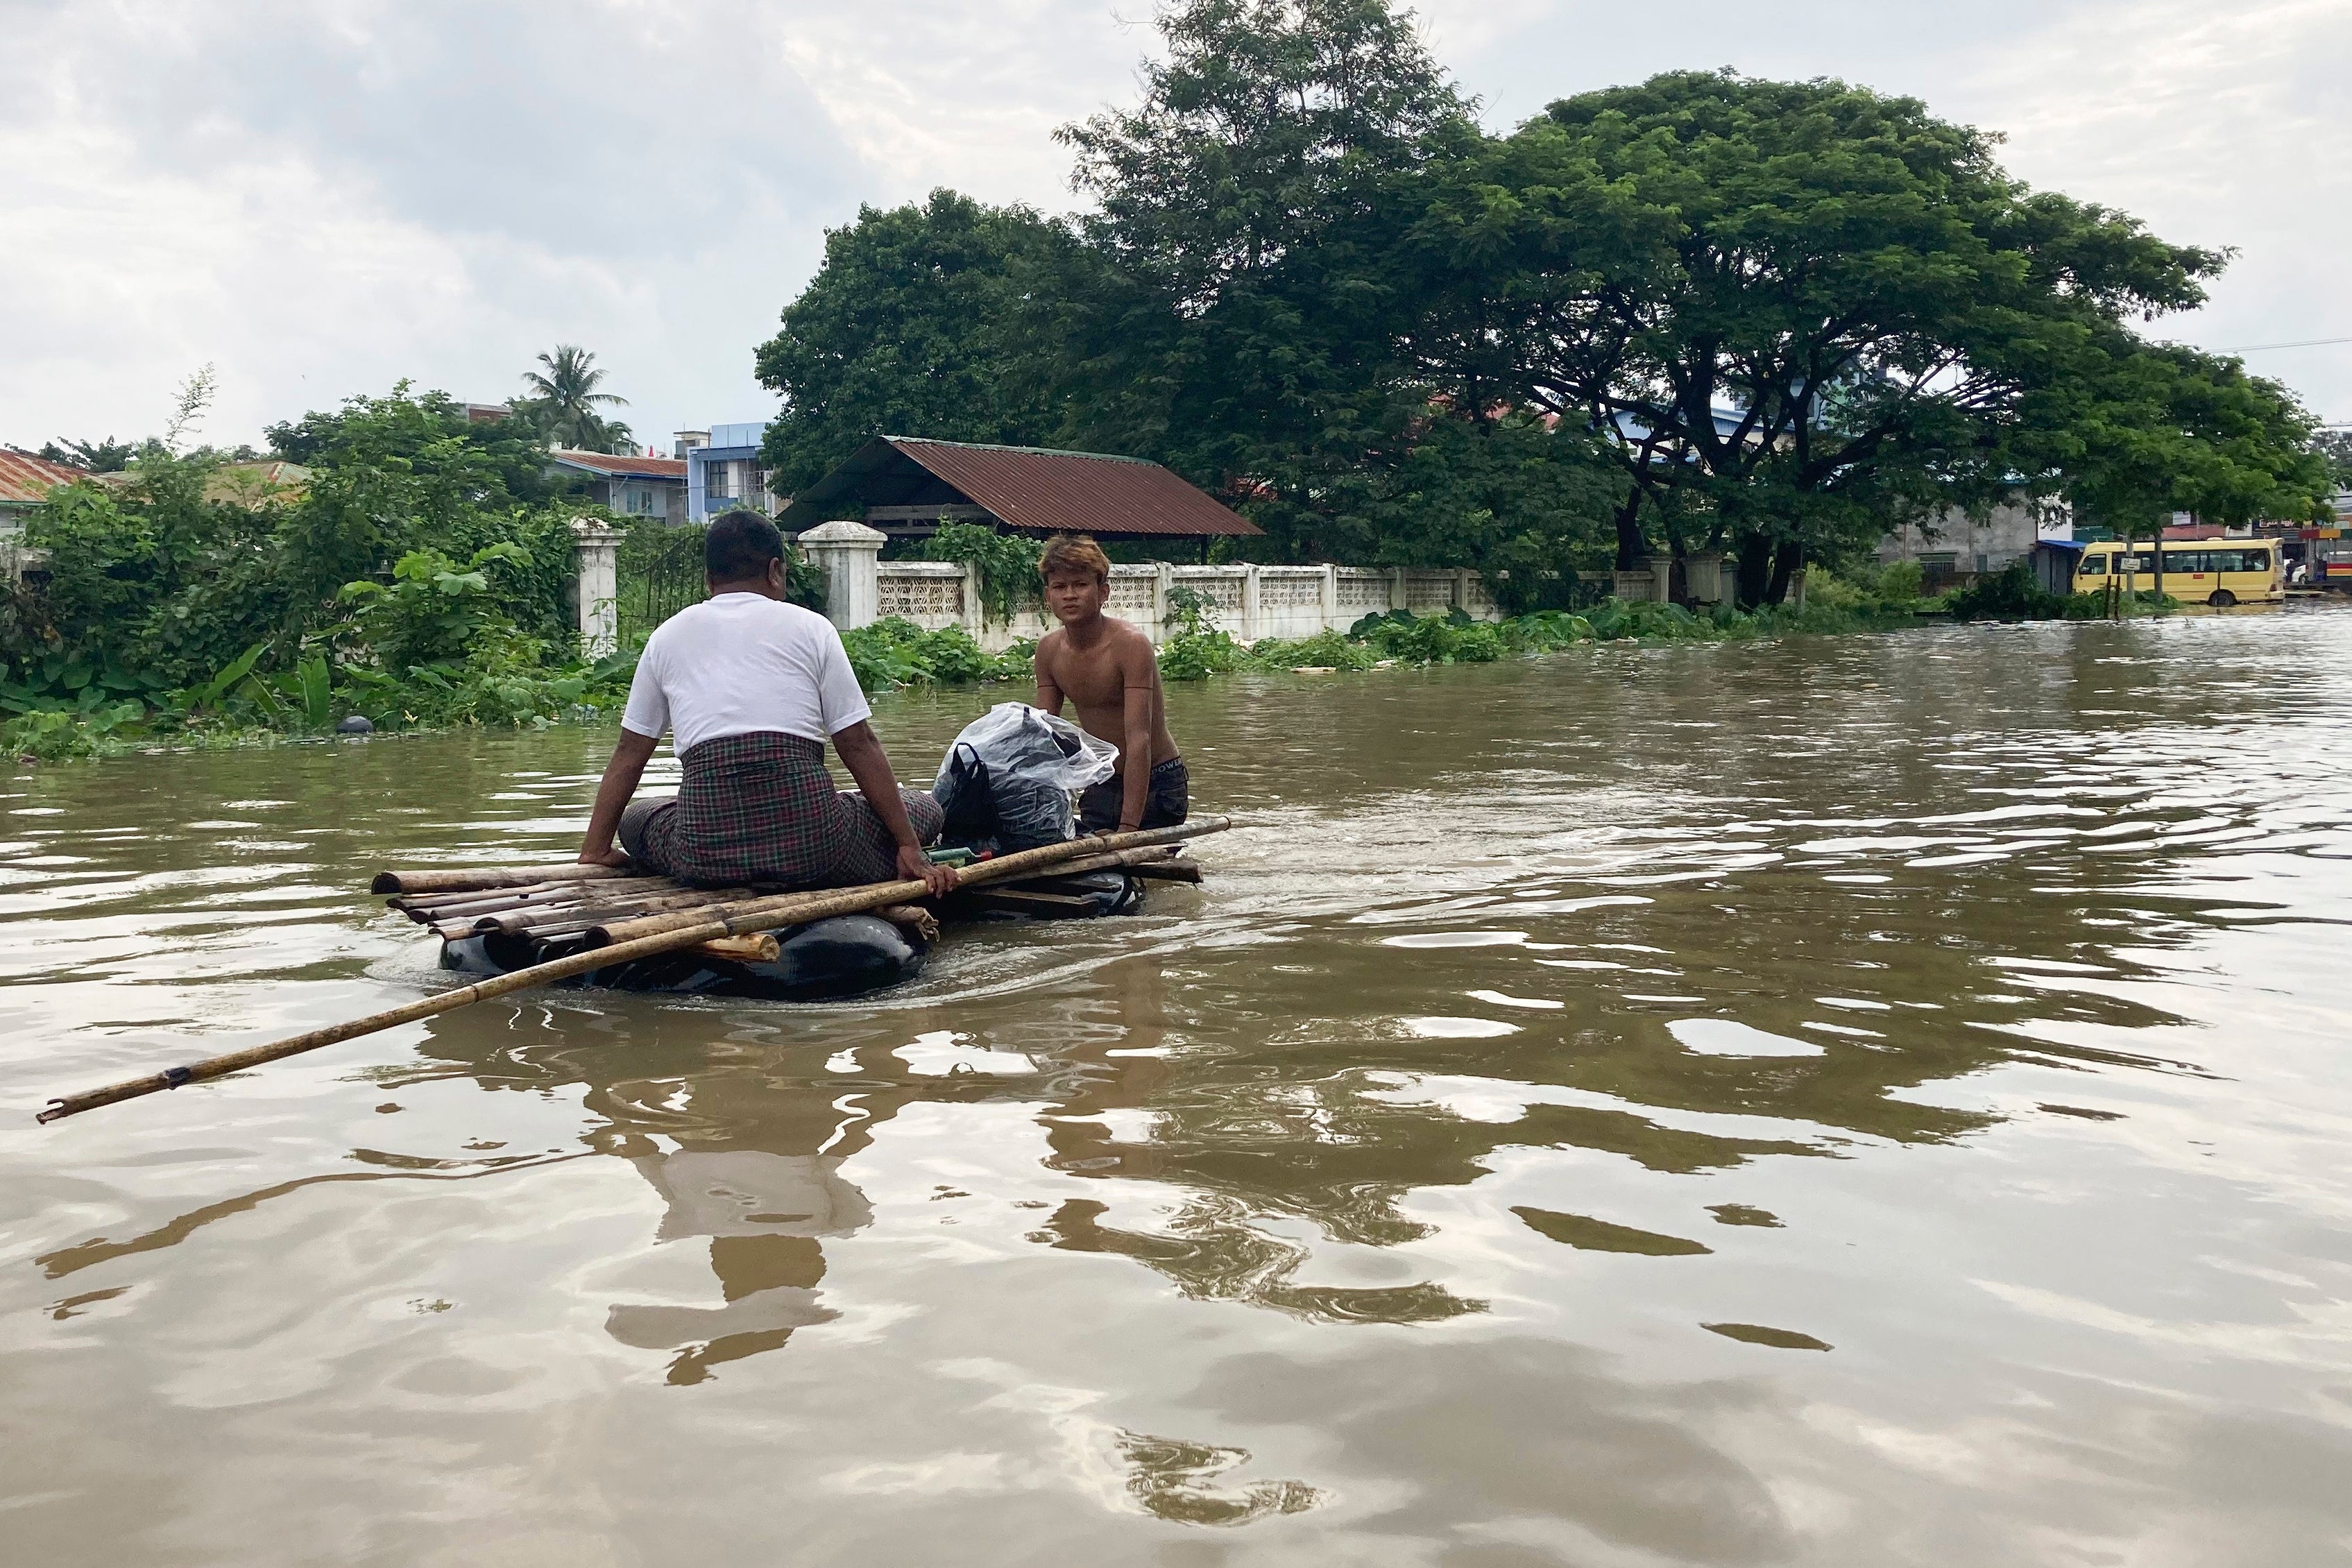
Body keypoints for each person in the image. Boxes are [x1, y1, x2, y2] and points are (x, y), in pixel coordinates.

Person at [577, 510, 957, 897]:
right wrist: (910, 847)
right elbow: (858, 743)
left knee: (637, 816)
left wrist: (594, 850)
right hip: (814, 853)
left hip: (705, 858)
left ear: (709, 578)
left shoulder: (665, 637)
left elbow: (629, 753)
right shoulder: (814, 628)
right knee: (925, 808)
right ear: (776, 570)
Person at [1031, 534, 1188, 834]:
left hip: (1157, 780)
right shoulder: (1049, 651)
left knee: (1145, 870)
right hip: (1104, 779)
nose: (1070, 595)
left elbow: (1139, 738)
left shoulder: (1130, 645)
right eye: (1060, 587)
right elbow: (1045, 734)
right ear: (1047, 596)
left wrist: (1128, 828)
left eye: (1080, 585)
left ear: (1103, 593)